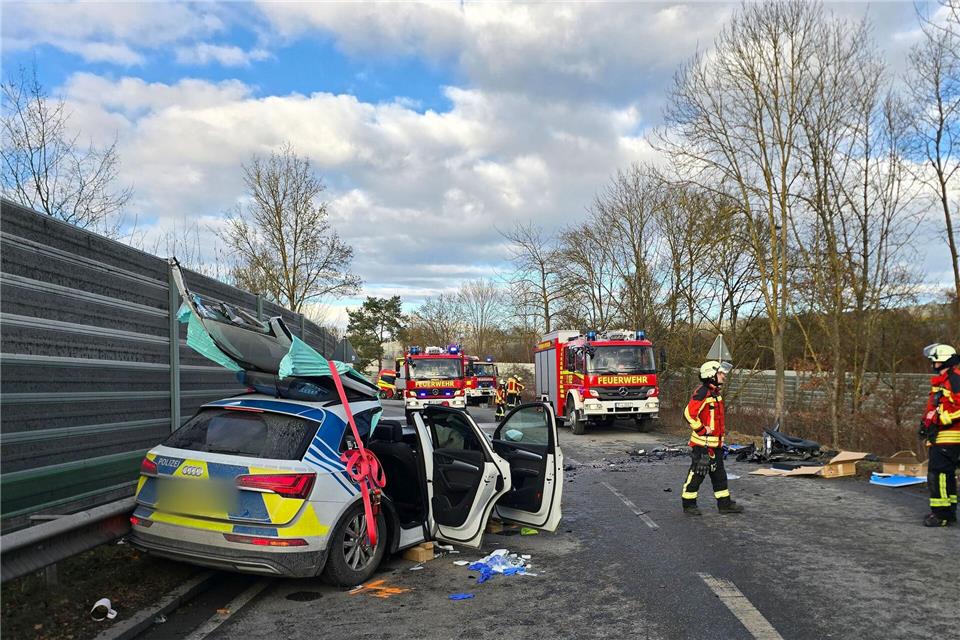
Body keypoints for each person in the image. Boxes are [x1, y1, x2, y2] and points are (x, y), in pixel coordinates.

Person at [681, 360, 743, 516]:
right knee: (698, 474)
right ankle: (688, 504)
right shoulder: (703, 393)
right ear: (711, 375)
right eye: (720, 373)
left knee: (719, 475)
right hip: (703, 446)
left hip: (716, 445)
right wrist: (702, 429)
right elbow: (689, 414)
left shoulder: (715, 394)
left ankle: (724, 504)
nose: (723, 376)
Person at [919, 343, 960, 527]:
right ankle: (948, 512)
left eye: (934, 360)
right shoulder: (944, 381)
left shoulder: (955, 379)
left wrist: (942, 419)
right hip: (941, 435)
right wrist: (926, 424)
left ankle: (941, 514)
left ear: (943, 361)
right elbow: (936, 407)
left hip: (950, 436)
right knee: (945, 474)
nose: (932, 364)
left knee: (938, 474)